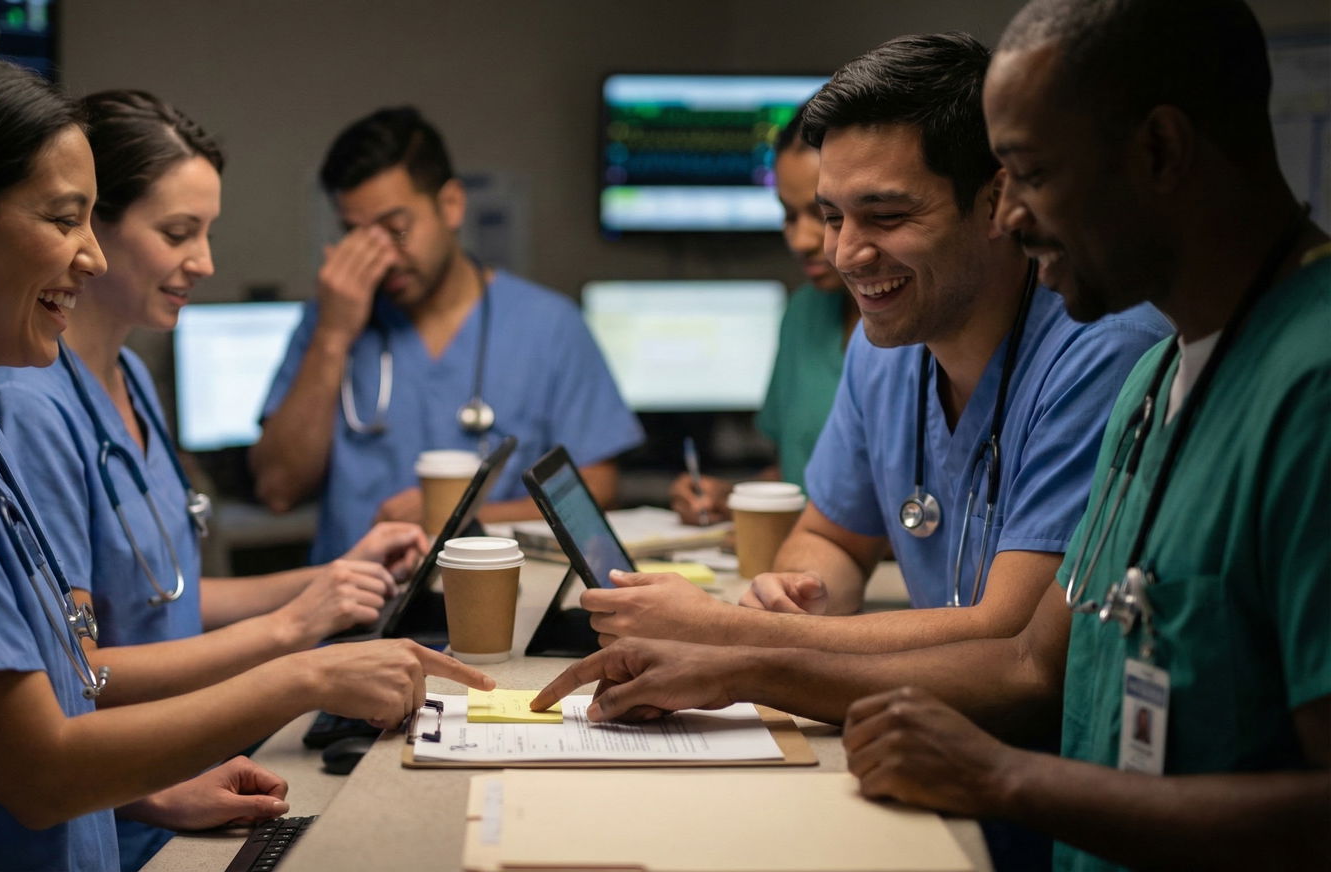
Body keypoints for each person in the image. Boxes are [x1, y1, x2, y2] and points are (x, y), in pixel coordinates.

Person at [536, 3, 1330, 867]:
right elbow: (1035, 656)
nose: (1015, 218)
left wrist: (744, 651)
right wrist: (754, 649)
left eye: (1031, 174)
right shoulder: (1164, 377)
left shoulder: (1295, 381)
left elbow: (1022, 672)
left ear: (1159, 153)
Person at [0, 55, 490, 871]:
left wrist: (145, 793)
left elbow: (55, 681)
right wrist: (301, 671)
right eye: (64, 221)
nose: (90, 258)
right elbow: (40, 766)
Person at [584, 33, 1167, 654]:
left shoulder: (1105, 352)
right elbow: (834, 539)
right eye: (833, 215)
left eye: (886, 216)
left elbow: (1010, 636)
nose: (844, 254)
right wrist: (799, 593)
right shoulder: (882, 349)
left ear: (999, 202)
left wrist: (734, 630)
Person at [0, 90, 428, 870]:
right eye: (178, 233)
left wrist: (329, 579)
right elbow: (80, 669)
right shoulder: (27, 407)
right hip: (119, 812)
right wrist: (293, 636)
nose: (206, 262)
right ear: (94, 227)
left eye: (207, 232)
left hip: (184, 779)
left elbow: (162, 601)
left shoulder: (131, 380)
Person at [250, 107, 643, 563]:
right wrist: (334, 336)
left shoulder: (549, 327)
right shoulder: (327, 325)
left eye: (396, 230)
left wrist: (461, 519)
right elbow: (278, 490)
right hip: (352, 620)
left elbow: (597, 492)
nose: (382, 257)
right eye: (356, 236)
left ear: (451, 205)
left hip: (503, 610)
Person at [669, 119, 855, 524]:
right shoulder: (804, 313)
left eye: (823, 214)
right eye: (788, 216)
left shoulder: (920, 332)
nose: (801, 240)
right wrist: (733, 498)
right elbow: (797, 476)